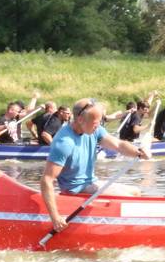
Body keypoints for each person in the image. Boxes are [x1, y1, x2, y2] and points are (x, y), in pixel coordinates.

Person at [40, 98, 151, 233]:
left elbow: (118, 145)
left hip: (91, 182)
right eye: (95, 123)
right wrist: (55, 217)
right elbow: (47, 180)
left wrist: (137, 152)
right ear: (80, 119)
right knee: (129, 199)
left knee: (136, 191)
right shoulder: (63, 143)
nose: (97, 127)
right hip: (76, 189)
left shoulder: (93, 129)